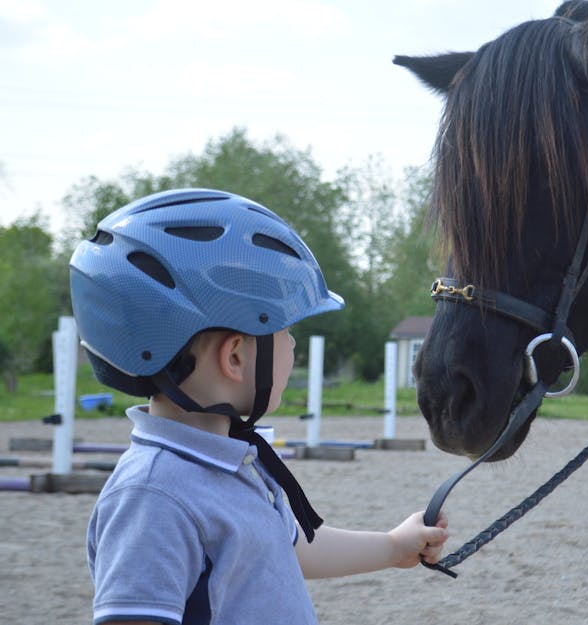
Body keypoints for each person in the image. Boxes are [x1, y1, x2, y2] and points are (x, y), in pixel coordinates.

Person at [70, 188, 449, 625]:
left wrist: (391, 546)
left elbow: (288, 549)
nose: (292, 346)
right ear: (235, 357)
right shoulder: (152, 497)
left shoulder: (231, 460)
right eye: (286, 332)